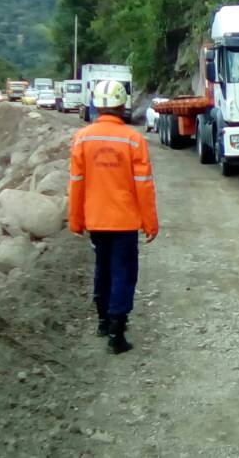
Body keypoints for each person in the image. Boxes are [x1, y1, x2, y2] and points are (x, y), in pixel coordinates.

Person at [68, 80, 159, 354]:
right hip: (124, 222)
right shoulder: (133, 140)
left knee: (102, 269)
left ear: (95, 104)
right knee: (123, 273)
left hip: (96, 220)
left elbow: (76, 182)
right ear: (122, 106)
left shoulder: (82, 138)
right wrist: (150, 223)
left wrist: (76, 220)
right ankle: (117, 336)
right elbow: (143, 186)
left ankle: (104, 322)